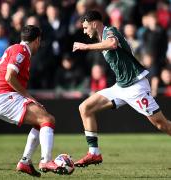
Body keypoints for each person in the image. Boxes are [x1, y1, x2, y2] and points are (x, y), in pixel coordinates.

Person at [72, 10, 171, 167]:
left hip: (135, 86)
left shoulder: (110, 31)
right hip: (120, 86)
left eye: (85, 27)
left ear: (94, 23)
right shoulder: (101, 38)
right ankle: (94, 153)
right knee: (85, 108)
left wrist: (86, 47)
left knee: (161, 124)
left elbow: (112, 44)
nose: (84, 31)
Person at [0, 25, 66, 177]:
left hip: (0, 97)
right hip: (4, 97)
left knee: (40, 121)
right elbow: (9, 77)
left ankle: (25, 162)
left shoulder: (15, 48)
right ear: (37, 40)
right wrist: (29, 97)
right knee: (47, 119)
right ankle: (46, 160)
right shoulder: (22, 51)